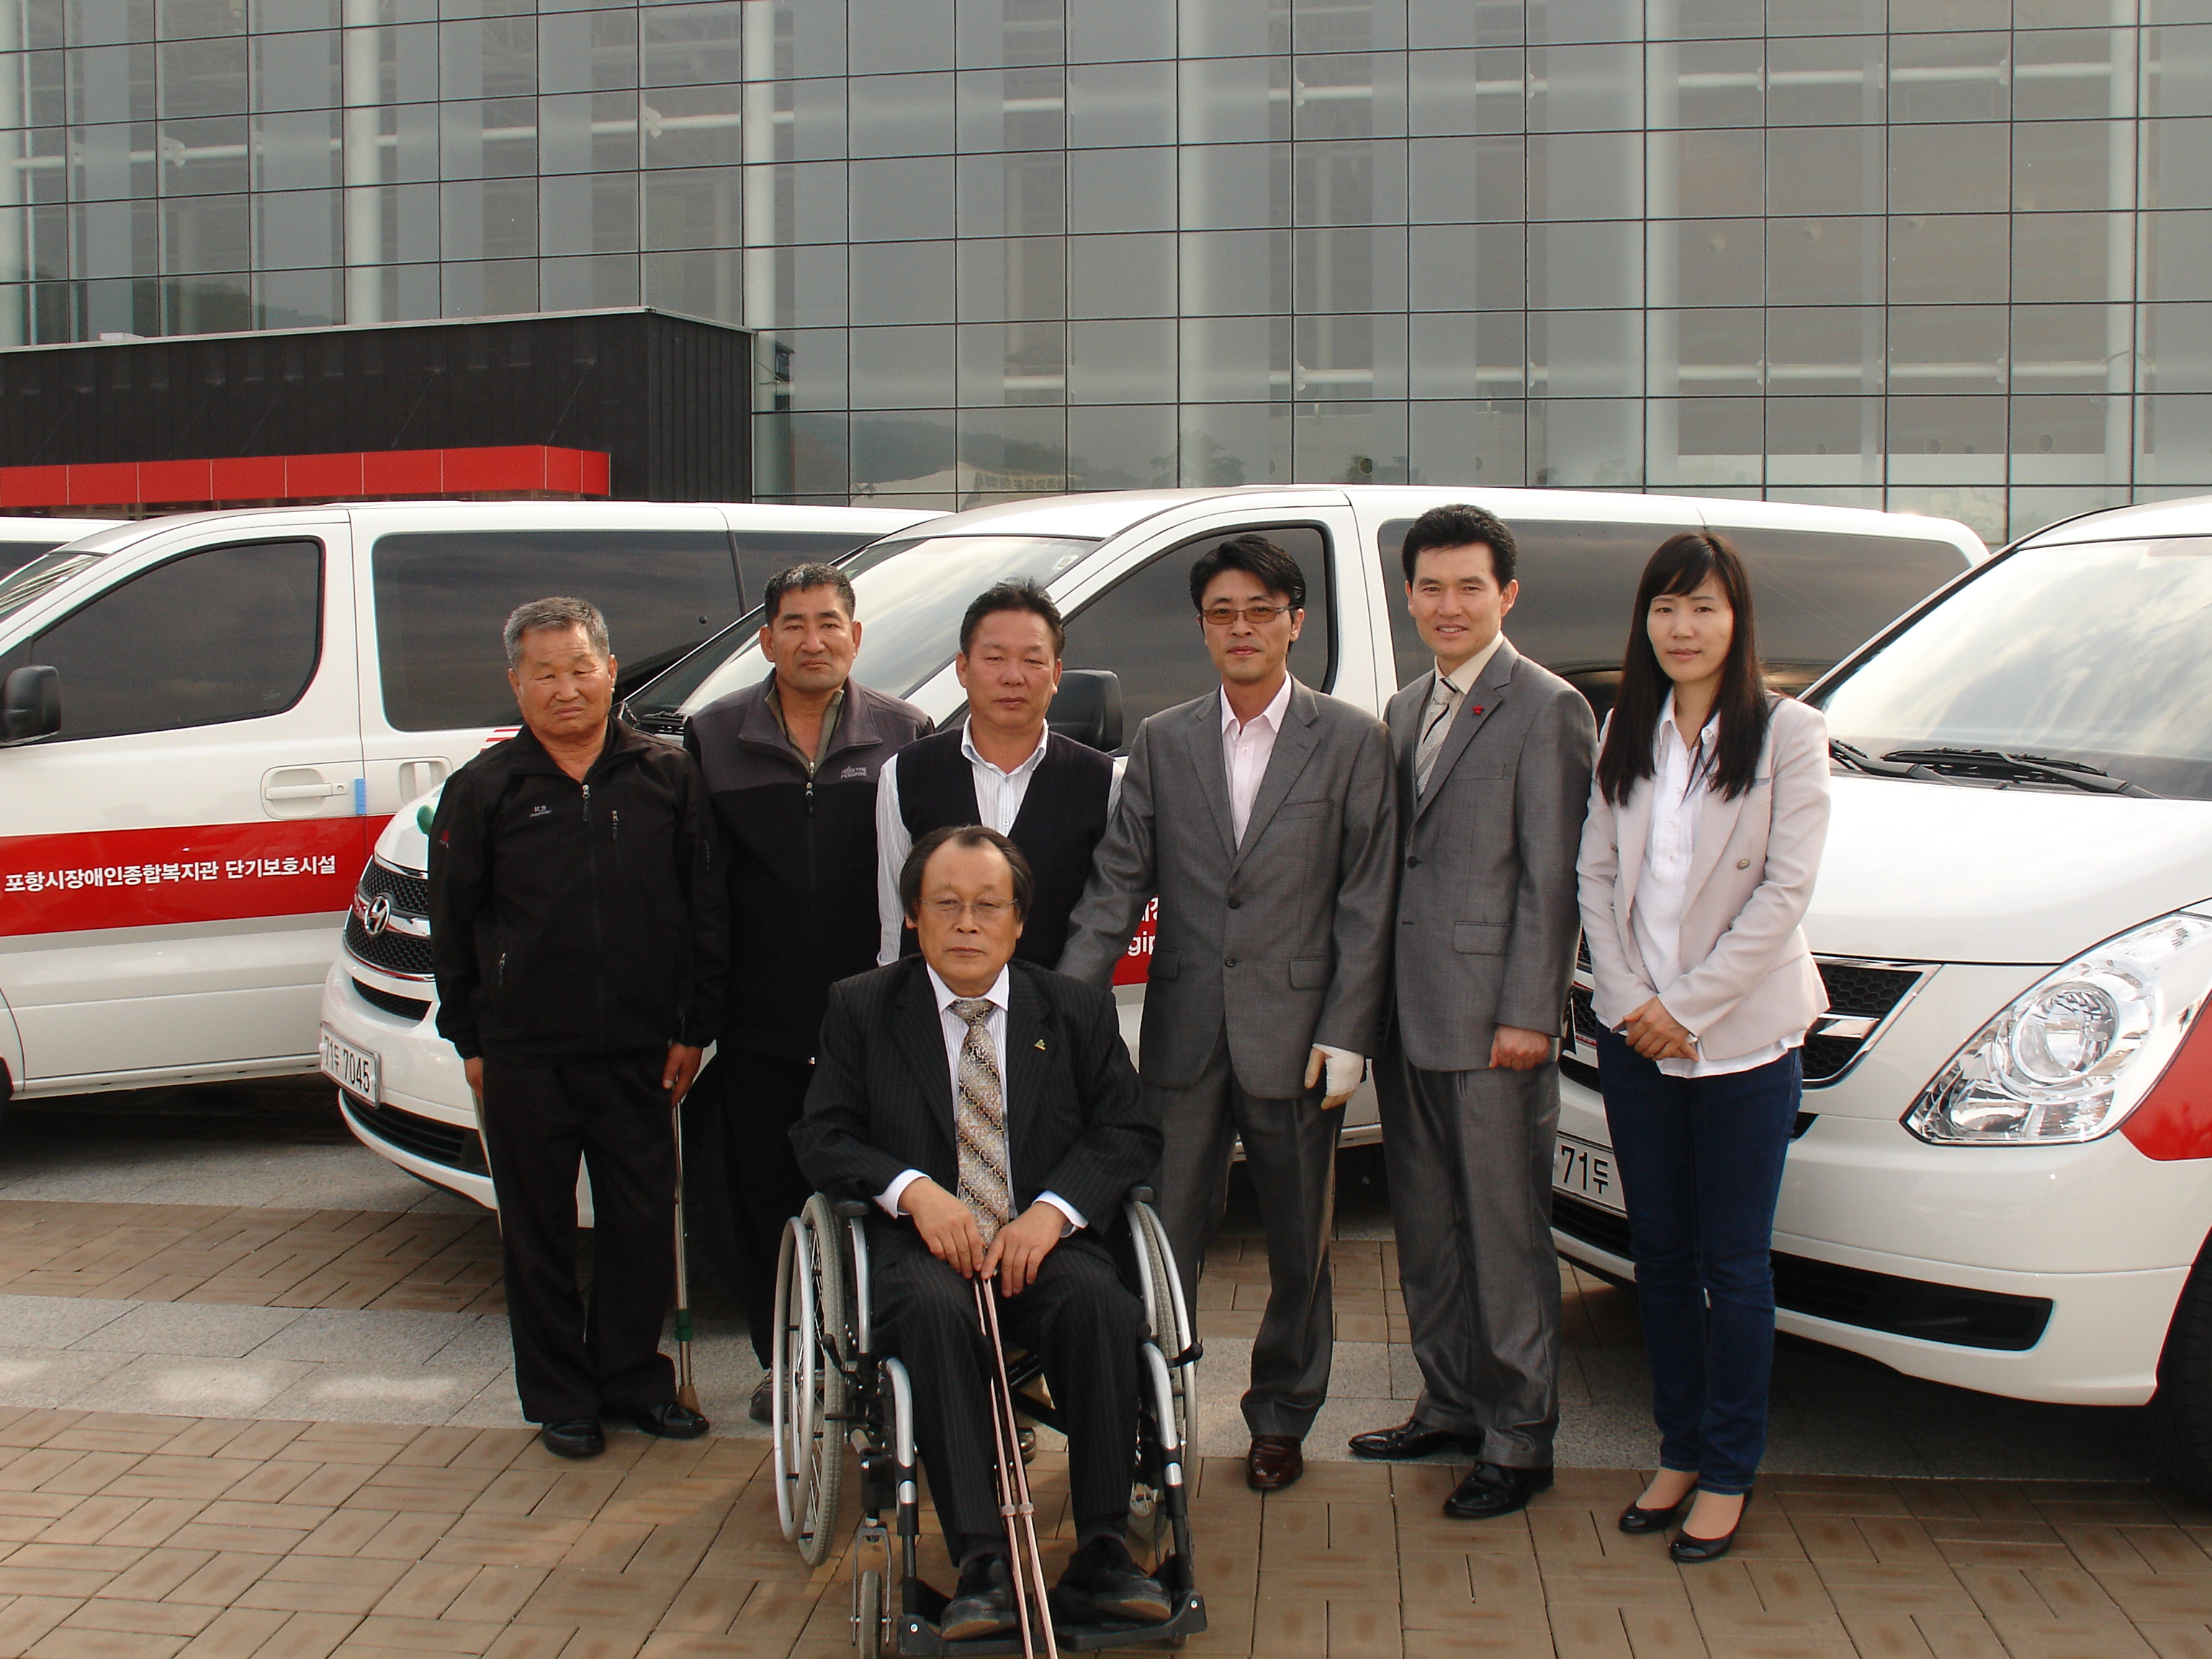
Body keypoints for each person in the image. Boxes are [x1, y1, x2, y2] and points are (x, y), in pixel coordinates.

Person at [1058, 534, 1398, 1493]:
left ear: (1295, 622)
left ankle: (1282, 1414)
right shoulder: (1165, 741)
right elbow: (1116, 884)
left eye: (1260, 611)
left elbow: (1367, 899)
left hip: (1299, 1039)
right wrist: (1063, 1011)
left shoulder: (1352, 740)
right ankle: (1153, 1408)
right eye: (1222, 613)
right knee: (1162, 1233)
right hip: (1183, 1033)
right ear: (1203, 629)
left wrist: (1348, 1030)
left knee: (1298, 1242)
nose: (1241, 628)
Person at [793, 826, 1169, 1641]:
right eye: (946, 904)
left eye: (988, 906)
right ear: (913, 916)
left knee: (1101, 1306)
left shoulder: (1074, 1008)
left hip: (1042, 1247)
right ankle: (982, 1564)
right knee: (933, 1313)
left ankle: (1105, 1551)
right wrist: (913, 1192)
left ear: (1019, 921)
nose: (967, 923)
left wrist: (1054, 1210)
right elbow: (821, 1135)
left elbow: (1128, 1130)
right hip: (923, 1254)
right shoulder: (863, 1007)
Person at [1575, 531, 1832, 1563]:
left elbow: (1784, 892)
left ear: (1738, 619)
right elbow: (1597, 876)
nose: (1683, 628)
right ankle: (1679, 1449)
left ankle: (1729, 1467)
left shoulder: (1789, 734)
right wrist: (1633, 1002)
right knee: (1661, 1258)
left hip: (1743, 1043)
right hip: (1637, 1038)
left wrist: (1687, 1008)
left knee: (1736, 1263)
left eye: (1705, 607)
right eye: (1666, 607)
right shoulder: (1623, 729)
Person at [427, 597, 724, 1460]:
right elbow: (453, 922)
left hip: (643, 1049)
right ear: (516, 683)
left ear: (610, 671)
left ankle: (633, 1380)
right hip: (526, 1056)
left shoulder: (666, 774)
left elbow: (704, 906)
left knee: (641, 1222)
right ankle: (562, 1395)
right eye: (544, 673)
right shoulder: (486, 788)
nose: (565, 689)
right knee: (538, 1231)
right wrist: (471, 1039)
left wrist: (694, 1026)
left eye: (580, 669)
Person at [1348, 504, 1596, 1521]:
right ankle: (1449, 1403)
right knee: (1427, 1226)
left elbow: (1553, 876)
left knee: (1503, 1235)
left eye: (1470, 587)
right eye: (1431, 588)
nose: (1448, 606)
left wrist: (1531, 1009)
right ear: (1408, 597)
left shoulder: (1549, 707)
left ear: (1508, 594)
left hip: (1498, 1024)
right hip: (1408, 1017)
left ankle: (1520, 1437)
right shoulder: (1406, 706)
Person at [685, 562, 931, 1421]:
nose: (813, 640)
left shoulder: (906, 731)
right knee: (767, 1198)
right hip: (760, 1020)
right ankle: (785, 1360)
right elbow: (700, 887)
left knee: (879, 1193)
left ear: (855, 636)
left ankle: (879, 1356)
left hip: (875, 1019)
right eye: (794, 624)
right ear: (766, 640)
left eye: (830, 623)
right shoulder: (713, 736)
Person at [875, 579, 1119, 968]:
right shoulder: (905, 774)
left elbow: (1106, 916)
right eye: (994, 658)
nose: (1013, 676)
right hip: (934, 1002)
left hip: (1056, 1000)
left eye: (1033, 661)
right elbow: (894, 925)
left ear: (1056, 674)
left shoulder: (1104, 782)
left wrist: (1070, 998)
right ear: (963, 668)